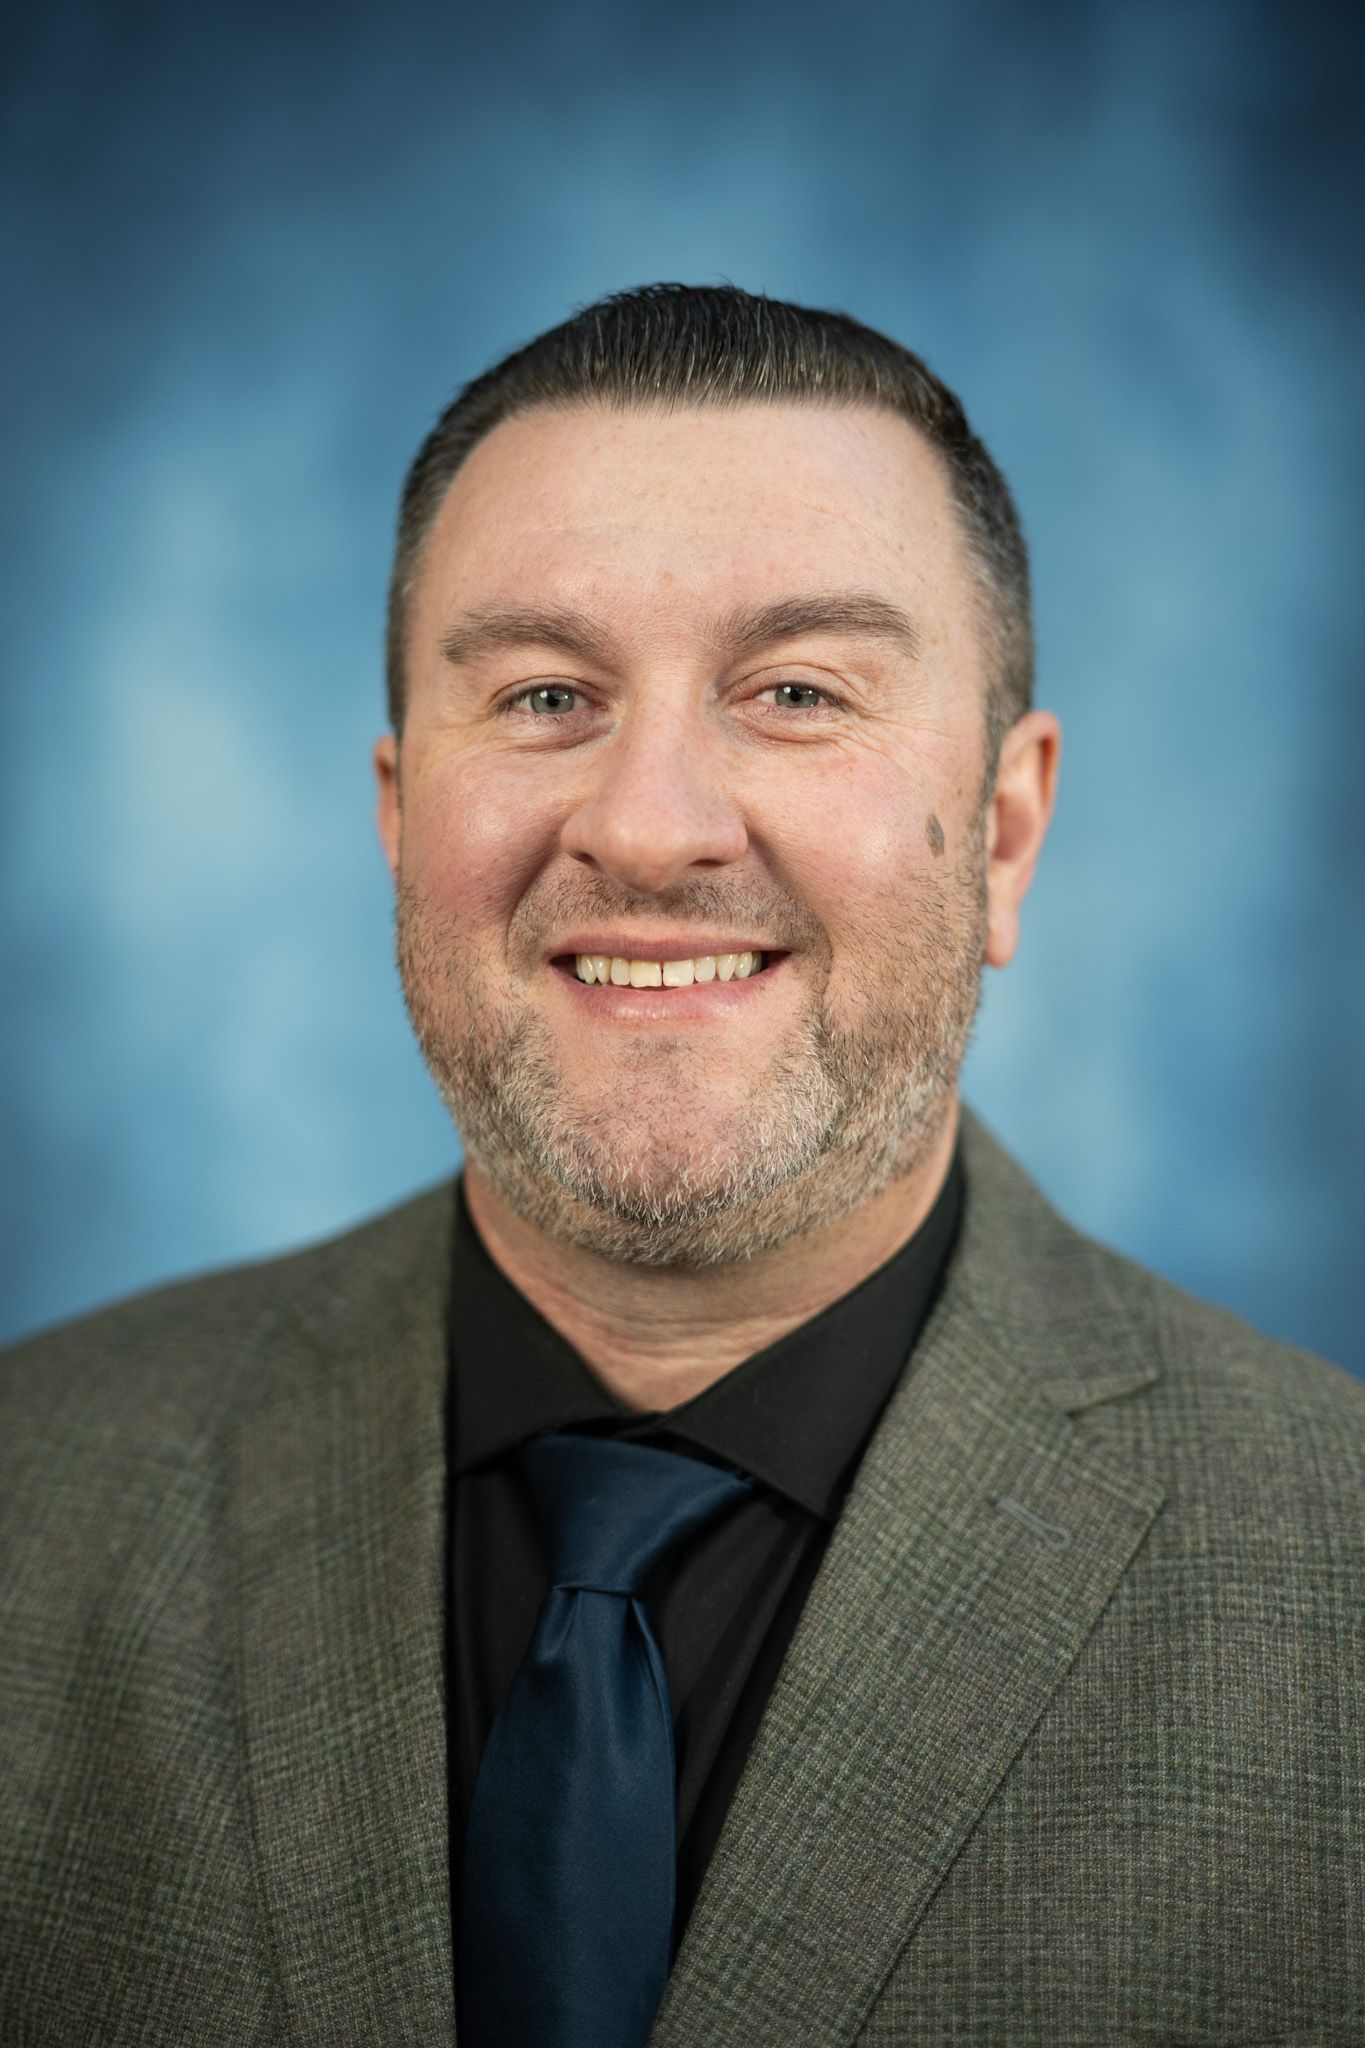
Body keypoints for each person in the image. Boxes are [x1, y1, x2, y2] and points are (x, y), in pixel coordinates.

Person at [1, 283, 1361, 2048]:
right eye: (548, 692)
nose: (648, 825)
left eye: (796, 692)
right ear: (400, 815)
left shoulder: (1332, 1583)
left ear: (1005, 833)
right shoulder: (34, 1499)